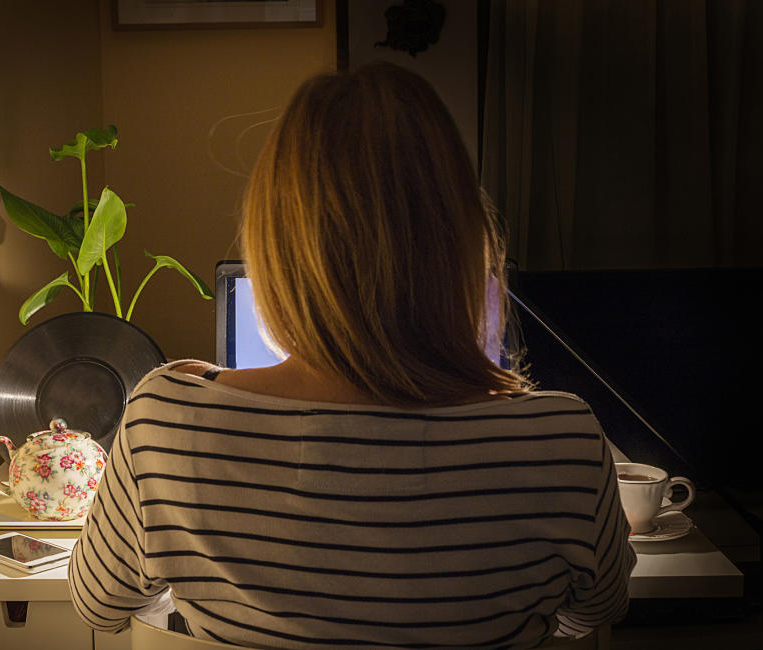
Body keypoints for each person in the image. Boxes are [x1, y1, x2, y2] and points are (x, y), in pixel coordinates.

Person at [69, 62, 636, 648]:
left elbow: (98, 605)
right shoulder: (561, 438)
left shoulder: (164, 421)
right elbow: (594, 612)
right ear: (461, 238)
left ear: (275, 242)